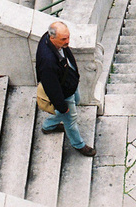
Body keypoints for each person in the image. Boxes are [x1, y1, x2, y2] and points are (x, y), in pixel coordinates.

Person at [35, 21, 96, 156]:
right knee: (70, 120)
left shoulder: (51, 40)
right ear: (52, 38)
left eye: (68, 37)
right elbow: (52, 87)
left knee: (77, 100)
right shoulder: (48, 61)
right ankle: (78, 145)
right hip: (64, 93)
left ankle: (48, 126)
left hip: (70, 84)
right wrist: (62, 106)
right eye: (64, 39)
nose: (68, 41)